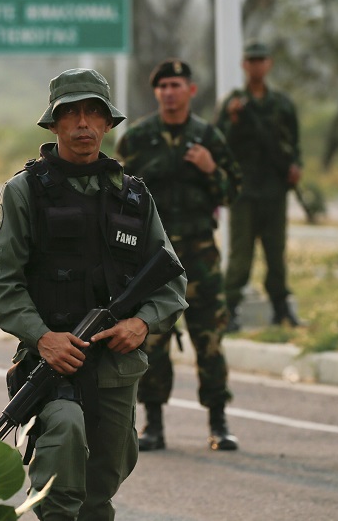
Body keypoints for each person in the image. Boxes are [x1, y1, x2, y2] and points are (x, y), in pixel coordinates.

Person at [0, 68, 187, 521]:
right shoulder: (26, 192)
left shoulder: (133, 196)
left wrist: (141, 323)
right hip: (54, 363)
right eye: (70, 114)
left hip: (115, 367)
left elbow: (171, 280)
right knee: (63, 454)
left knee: (101, 487)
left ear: (108, 124)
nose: (82, 125)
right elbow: (1, 285)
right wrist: (42, 338)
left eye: (93, 114)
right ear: (53, 124)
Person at [116, 59, 242, 452]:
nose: (169, 91)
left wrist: (210, 169)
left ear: (191, 90)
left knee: (210, 340)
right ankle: (153, 425)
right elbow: (117, 194)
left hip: (201, 257)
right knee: (152, 340)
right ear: (156, 92)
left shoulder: (208, 136)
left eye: (176, 85)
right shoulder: (137, 138)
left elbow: (232, 192)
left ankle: (218, 424)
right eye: (163, 85)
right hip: (152, 260)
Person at [215, 41, 303, 329]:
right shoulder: (233, 104)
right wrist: (235, 119)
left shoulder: (281, 103)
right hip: (244, 191)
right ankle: (228, 311)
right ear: (244, 65)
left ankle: (281, 309)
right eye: (251, 60)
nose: (256, 65)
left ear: (269, 64)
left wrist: (295, 168)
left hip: (274, 191)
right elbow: (220, 143)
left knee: (276, 254)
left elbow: (295, 143)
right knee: (241, 257)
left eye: (261, 60)